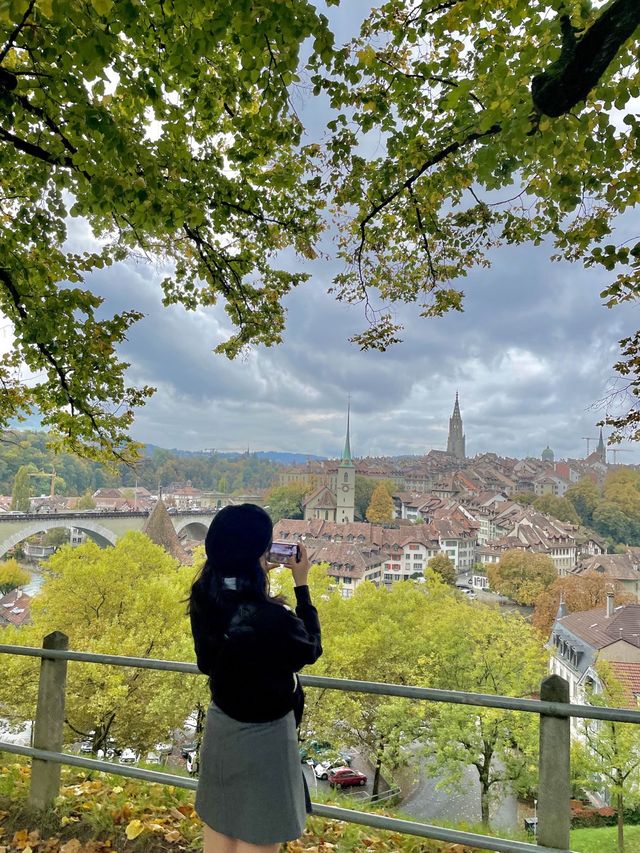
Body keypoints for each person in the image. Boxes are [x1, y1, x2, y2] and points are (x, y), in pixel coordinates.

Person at [189, 503, 322, 853]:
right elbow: (309, 650)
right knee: (258, 834)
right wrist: (301, 585)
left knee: (220, 826)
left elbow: (206, 663)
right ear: (261, 553)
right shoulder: (273, 618)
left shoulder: (204, 599)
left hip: (222, 726)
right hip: (268, 736)